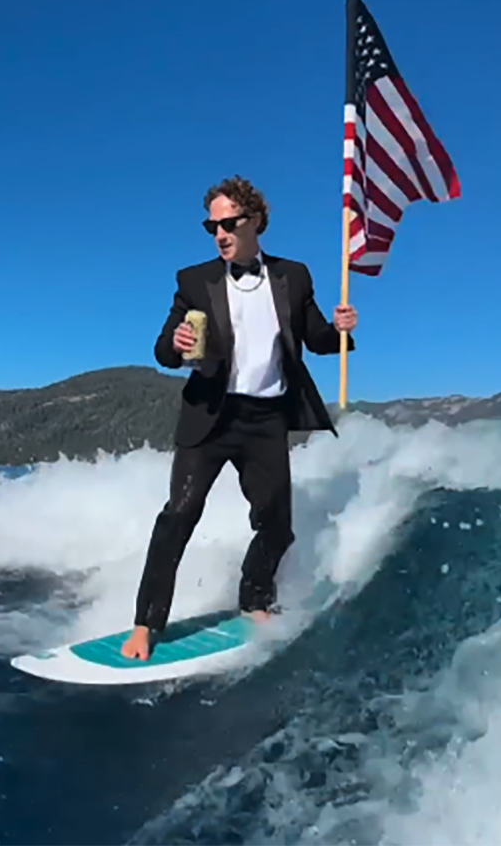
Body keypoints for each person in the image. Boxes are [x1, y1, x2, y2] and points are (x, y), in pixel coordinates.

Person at [121, 176, 358, 661]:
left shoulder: (294, 276)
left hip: (266, 418)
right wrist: (177, 345)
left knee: (277, 525)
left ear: (255, 220)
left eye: (229, 223)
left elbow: (314, 337)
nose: (220, 234)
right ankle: (146, 624)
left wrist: (340, 329)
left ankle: (254, 599)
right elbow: (164, 348)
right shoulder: (194, 280)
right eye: (212, 226)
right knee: (178, 516)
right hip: (210, 415)